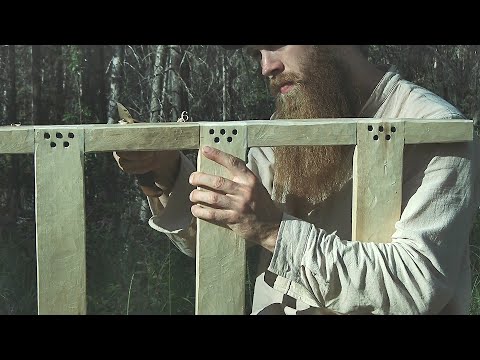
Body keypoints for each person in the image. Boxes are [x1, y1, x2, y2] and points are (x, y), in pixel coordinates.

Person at [113, 45, 480, 315]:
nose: (266, 66)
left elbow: (414, 284)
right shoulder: (289, 123)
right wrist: (159, 174)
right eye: (256, 52)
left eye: (275, 45)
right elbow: (211, 234)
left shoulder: (434, 127)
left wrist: (274, 231)